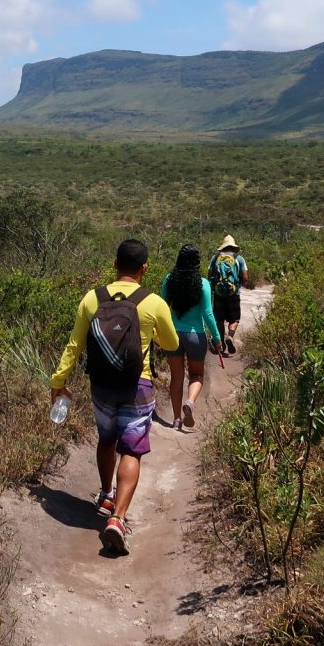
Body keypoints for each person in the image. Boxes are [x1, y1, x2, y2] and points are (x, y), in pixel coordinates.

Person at [50, 238, 178, 555]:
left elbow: (74, 345)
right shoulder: (153, 302)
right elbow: (172, 343)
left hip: (102, 386)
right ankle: (118, 519)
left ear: (114, 264)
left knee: (106, 440)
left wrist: (58, 381)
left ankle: (106, 494)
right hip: (139, 386)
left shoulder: (92, 299)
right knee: (131, 450)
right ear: (144, 268)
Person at [159, 245, 218, 432]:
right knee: (196, 375)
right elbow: (208, 314)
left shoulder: (169, 280)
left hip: (173, 335)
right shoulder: (204, 284)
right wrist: (217, 337)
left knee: (176, 377)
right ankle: (190, 402)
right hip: (195, 335)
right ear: (197, 263)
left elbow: (161, 307)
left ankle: (176, 419)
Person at [208, 234, 249, 353]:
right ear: (233, 246)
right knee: (234, 319)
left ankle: (220, 340)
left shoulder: (215, 257)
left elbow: (209, 274)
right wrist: (238, 283)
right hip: (233, 293)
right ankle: (230, 336)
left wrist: (215, 284)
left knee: (219, 320)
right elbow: (245, 277)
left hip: (218, 293)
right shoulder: (239, 258)